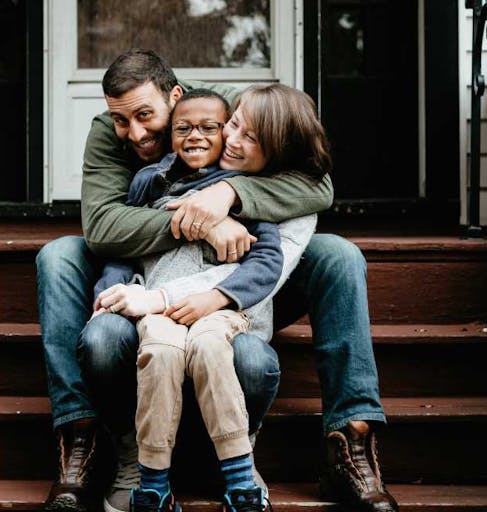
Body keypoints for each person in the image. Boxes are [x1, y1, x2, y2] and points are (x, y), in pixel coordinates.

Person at [36, 49, 398, 512]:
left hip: (242, 275)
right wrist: (202, 220)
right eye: (123, 121)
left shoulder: (230, 111)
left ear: (177, 96)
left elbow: (317, 187)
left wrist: (230, 192)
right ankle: (81, 437)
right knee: (59, 255)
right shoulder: (111, 132)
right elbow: (103, 228)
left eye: (147, 116)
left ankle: (350, 439)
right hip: (147, 271)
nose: (137, 133)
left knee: (339, 255)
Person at [91, 87, 319, 512]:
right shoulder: (151, 180)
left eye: (214, 128)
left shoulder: (250, 189)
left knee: (212, 348)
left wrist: (214, 295)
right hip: (161, 313)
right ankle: (152, 482)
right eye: (184, 128)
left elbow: (266, 262)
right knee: (158, 353)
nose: (224, 139)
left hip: (220, 314)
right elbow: (123, 245)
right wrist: (111, 290)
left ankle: (238, 474)